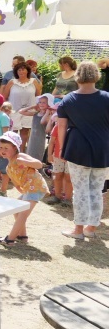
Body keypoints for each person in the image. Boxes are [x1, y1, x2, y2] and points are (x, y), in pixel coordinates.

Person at [57, 61, 109, 240]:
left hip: (77, 148)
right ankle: (91, 228)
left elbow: (61, 127)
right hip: (103, 149)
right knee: (97, 189)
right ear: (96, 75)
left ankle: (78, 230)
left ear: (77, 76)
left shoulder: (68, 99)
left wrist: (62, 148)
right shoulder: (107, 98)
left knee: (80, 190)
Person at [0, 132, 49, 247]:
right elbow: (16, 183)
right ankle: (22, 235)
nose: (2, 150)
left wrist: (26, 162)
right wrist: (22, 191)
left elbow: (39, 164)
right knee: (17, 209)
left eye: (6, 148)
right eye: (1, 147)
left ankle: (10, 239)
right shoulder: (9, 167)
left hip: (35, 187)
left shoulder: (20, 157)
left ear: (15, 148)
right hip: (29, 190)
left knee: (22, 214)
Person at [4, 61, 42, 151]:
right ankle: (12, 151)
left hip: (29, 111)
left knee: (25, 133)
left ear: (27, 71)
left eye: (23, 69)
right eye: (19, 70)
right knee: (13, 132)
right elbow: (5, 96)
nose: (21, 72)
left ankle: (22, 151)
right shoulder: (12, 82)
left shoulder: (34, 81)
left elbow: (38, 96)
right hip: (14, 111)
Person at [19, 93, 55, 162]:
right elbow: (21, 111)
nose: (41, 104)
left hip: (40, 139)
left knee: (37, 157)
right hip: (32, 139)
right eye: (40, 102)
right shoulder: (36, 113)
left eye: (44, 102)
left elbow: (42, 122)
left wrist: (47, 112)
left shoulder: (48, 116)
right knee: (29, 155)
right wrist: (33, 106)